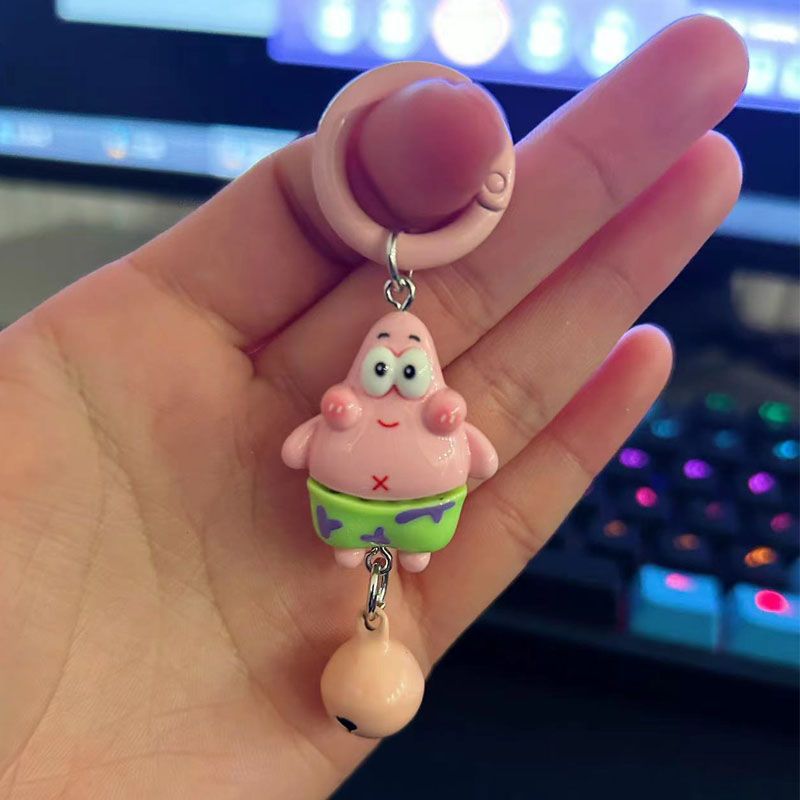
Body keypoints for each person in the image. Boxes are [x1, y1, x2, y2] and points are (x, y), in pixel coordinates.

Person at [0, 16, 747, 800]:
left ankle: (400, 557)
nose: (393, 376)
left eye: (404, 367)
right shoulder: (355, 402)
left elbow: (476, 456)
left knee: (409, 546)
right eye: (388, 366)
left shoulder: (430, 407)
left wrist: (444, 437)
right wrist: (333, 428)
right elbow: (304, 449)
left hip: (408, 516)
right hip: (355, 514)